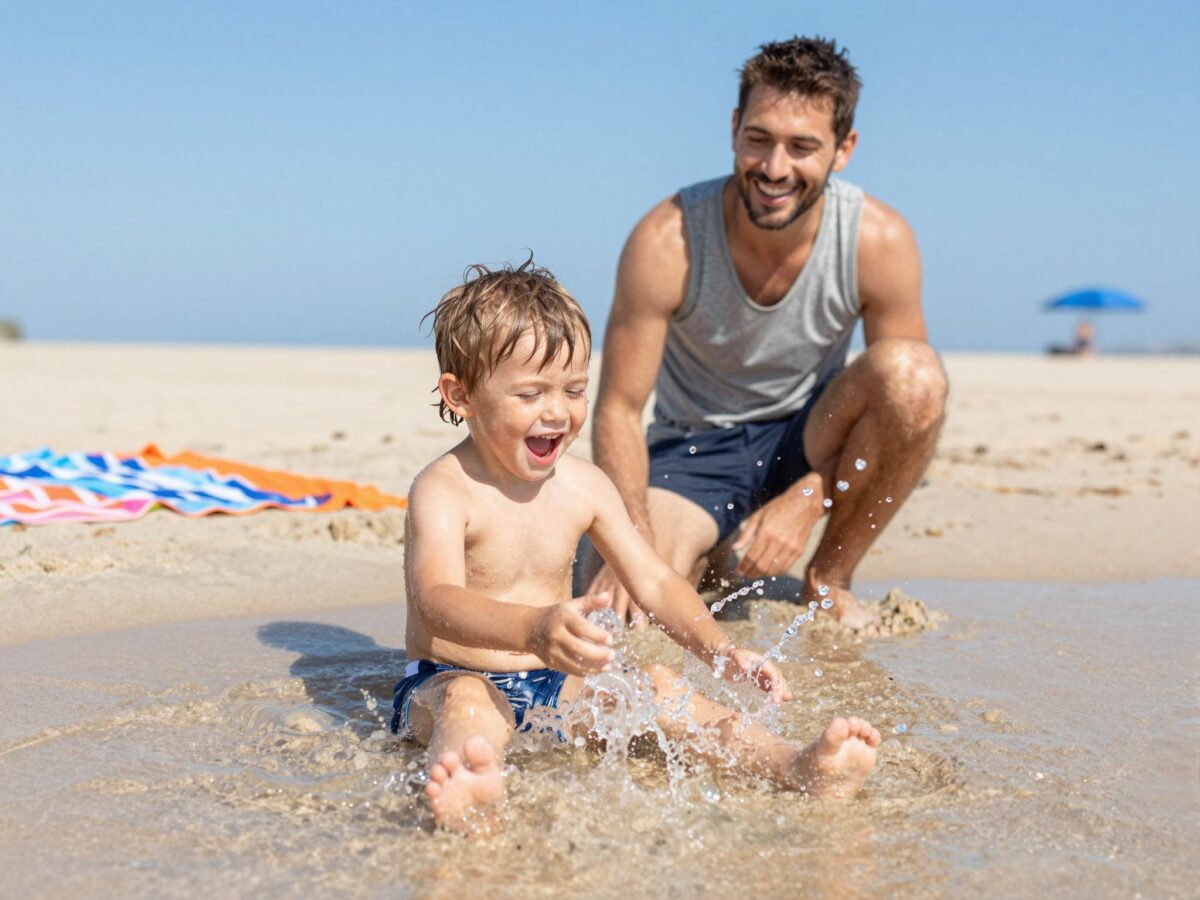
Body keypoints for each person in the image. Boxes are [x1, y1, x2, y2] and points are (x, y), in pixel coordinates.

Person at [394, 259, 882, 833]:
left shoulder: (583, 485)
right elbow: (436, 598)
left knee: (659, 687)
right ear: (462, 396)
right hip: (448, 676)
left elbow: (653, 582)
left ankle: (795, 766)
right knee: (470, 706)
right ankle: (472, 791)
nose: (558, 410)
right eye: (530, 393)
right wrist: (530, 629)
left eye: (574, 390)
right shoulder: (444, 489)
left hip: (555, 685)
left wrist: (721, 652)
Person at [583, 37, 949, 636]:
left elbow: (906, 413)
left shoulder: (878, 241)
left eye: (803, 147)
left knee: (916, 376)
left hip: (811, 437)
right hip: (696, 449)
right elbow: (619, 411)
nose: (775, 168)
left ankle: (830, 579)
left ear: (844, 149)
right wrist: (635, 551)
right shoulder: (665, 240)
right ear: (733, 129)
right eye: (759, 139)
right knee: (636, 609)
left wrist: (810, 495)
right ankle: (711, 549)